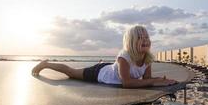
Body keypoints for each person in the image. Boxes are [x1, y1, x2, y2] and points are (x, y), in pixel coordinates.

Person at [32, 25, 177, 88]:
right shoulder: (124, 57)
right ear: (131, 42)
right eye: (140, 37)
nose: (145, 40)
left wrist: (161, 81)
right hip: (99, 73)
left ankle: (103, 62)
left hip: (110, 68)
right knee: (71, 72)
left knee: (73, 72)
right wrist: (154, 80)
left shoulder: (148, 58)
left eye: (147, 37)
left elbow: (146, 80)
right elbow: (127, 83)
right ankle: (45, 64)